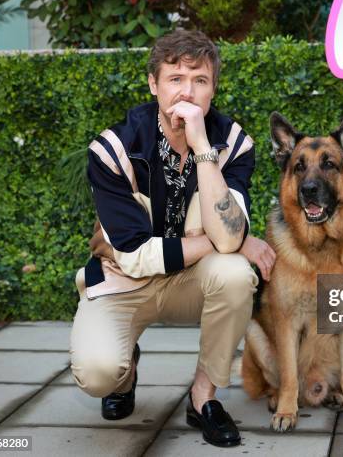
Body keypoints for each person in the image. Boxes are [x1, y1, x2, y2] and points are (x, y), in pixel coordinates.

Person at [69, 29, 276, 448]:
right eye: (175, 78)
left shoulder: (233, 143)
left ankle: (203, 398)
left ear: (213, 88)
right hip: (124, 281)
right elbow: (131, 254)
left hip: (193, 281)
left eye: (199, 80)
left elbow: (230, 230)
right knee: (97, 373)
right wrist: (227, 241)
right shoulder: (114, 150)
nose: (187, 91)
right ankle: (124, 376)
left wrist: (202, 147)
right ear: (153, 85)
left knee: (236, 275)